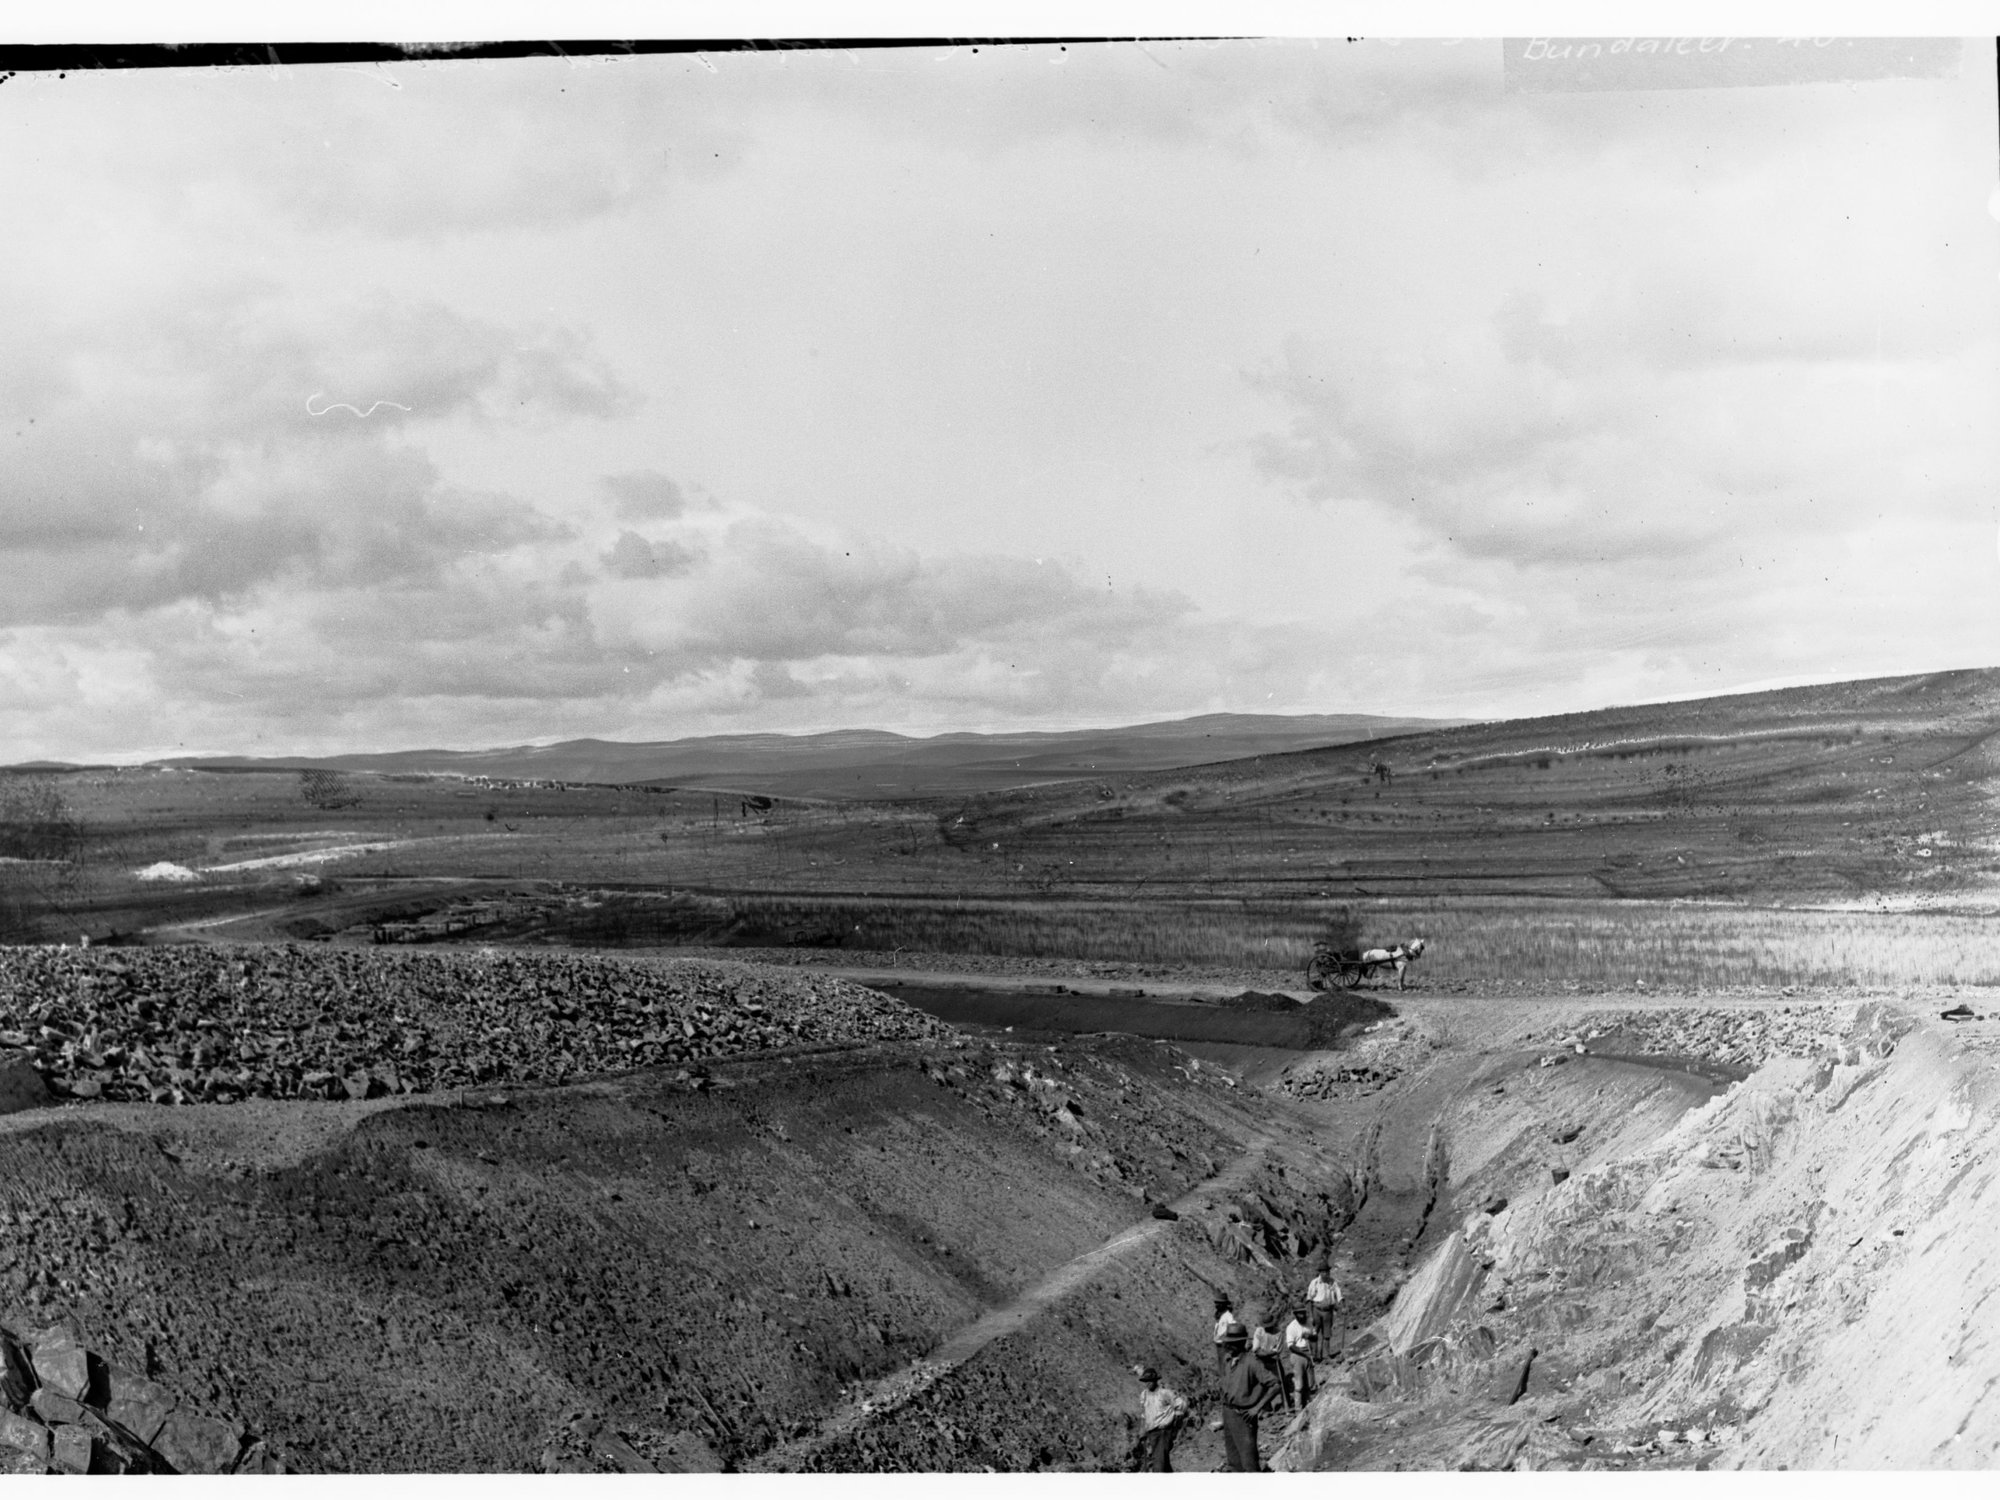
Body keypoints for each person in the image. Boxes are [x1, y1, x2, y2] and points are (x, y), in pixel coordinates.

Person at [1215, 1326, 1281, 1471]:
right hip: (1228, 1412)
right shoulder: (1228, 1360)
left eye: (1230, 1344)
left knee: (1248, 1460)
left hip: (1243, 1416)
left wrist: (1257, 1408)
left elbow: (1275, 1385)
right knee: (1233, 1459)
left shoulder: (1252, 1363)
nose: (1226, 1346)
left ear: (1240, 1343)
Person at [1134, 1366, 1188, 1471]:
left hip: (1163, 1432)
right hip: (1151, 1432)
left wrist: (1175, 1422)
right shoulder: (1144, 1395)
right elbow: (1144, 1413)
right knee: (1163, 1462)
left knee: (1159, 1464)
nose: (1147, 1383)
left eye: (1150, 1381)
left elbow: (1181, 1404)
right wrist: (1142, 1429)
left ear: (1155, 1380)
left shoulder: (1164, 1393)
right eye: (1145, 1381)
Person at [1282, 1300, 1316, 1412]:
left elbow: (1315, 1337)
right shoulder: (1291, 1327)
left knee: (1310, 1383)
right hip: (1297, 1354)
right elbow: (1291, 1346)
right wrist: (1304, 1355)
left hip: (1308, 1352)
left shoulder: (1308, 1323)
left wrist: (1309, 1336)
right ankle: (1298, 1409)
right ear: (1295, 1314)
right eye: (1299, 1313)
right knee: (1299, 1384)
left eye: (1303, 1312)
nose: (1302, 1315)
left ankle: (1309, 1406)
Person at [1306, 1261, 1344, 1356]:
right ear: (1320, 1272)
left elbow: (1339, 1295)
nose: (1325, 1274)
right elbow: (1309, 1299)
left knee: (1326, 1335)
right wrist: (1311, 1316)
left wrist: (1342, 1306)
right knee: (1314, 1333)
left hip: (1328, 1311)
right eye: (1323, 1272)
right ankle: (1315, 1356)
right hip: (1316, 1310)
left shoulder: (1332, 1282)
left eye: (1327, 1272)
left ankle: (1326, 1355)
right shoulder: (1314, 1283)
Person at [1212, 1294, 1241, 1378]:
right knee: (1221, 1365)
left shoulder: (1228, 1316)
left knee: (1224, 1366)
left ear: (1223, 1304)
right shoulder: (1220, 1316)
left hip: (1224, 1344)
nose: (1216, 1305)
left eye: (1218, 1303)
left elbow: (1233, 1327)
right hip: (1219, 1345)